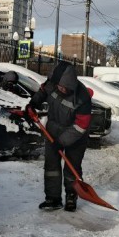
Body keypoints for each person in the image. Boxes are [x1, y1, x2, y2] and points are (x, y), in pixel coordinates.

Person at [27, 61, 92, 212]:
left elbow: (81, 126)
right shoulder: (53, 84)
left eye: (64, 88)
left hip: (76, 135)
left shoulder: (82, 97)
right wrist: (33, 104)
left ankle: (71, 196)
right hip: (53, 129)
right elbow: (43, 91)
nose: (61, 89)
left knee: (72, 166)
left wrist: (61, 141)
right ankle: (53, 198)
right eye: (59, 86)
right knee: (52, 167)